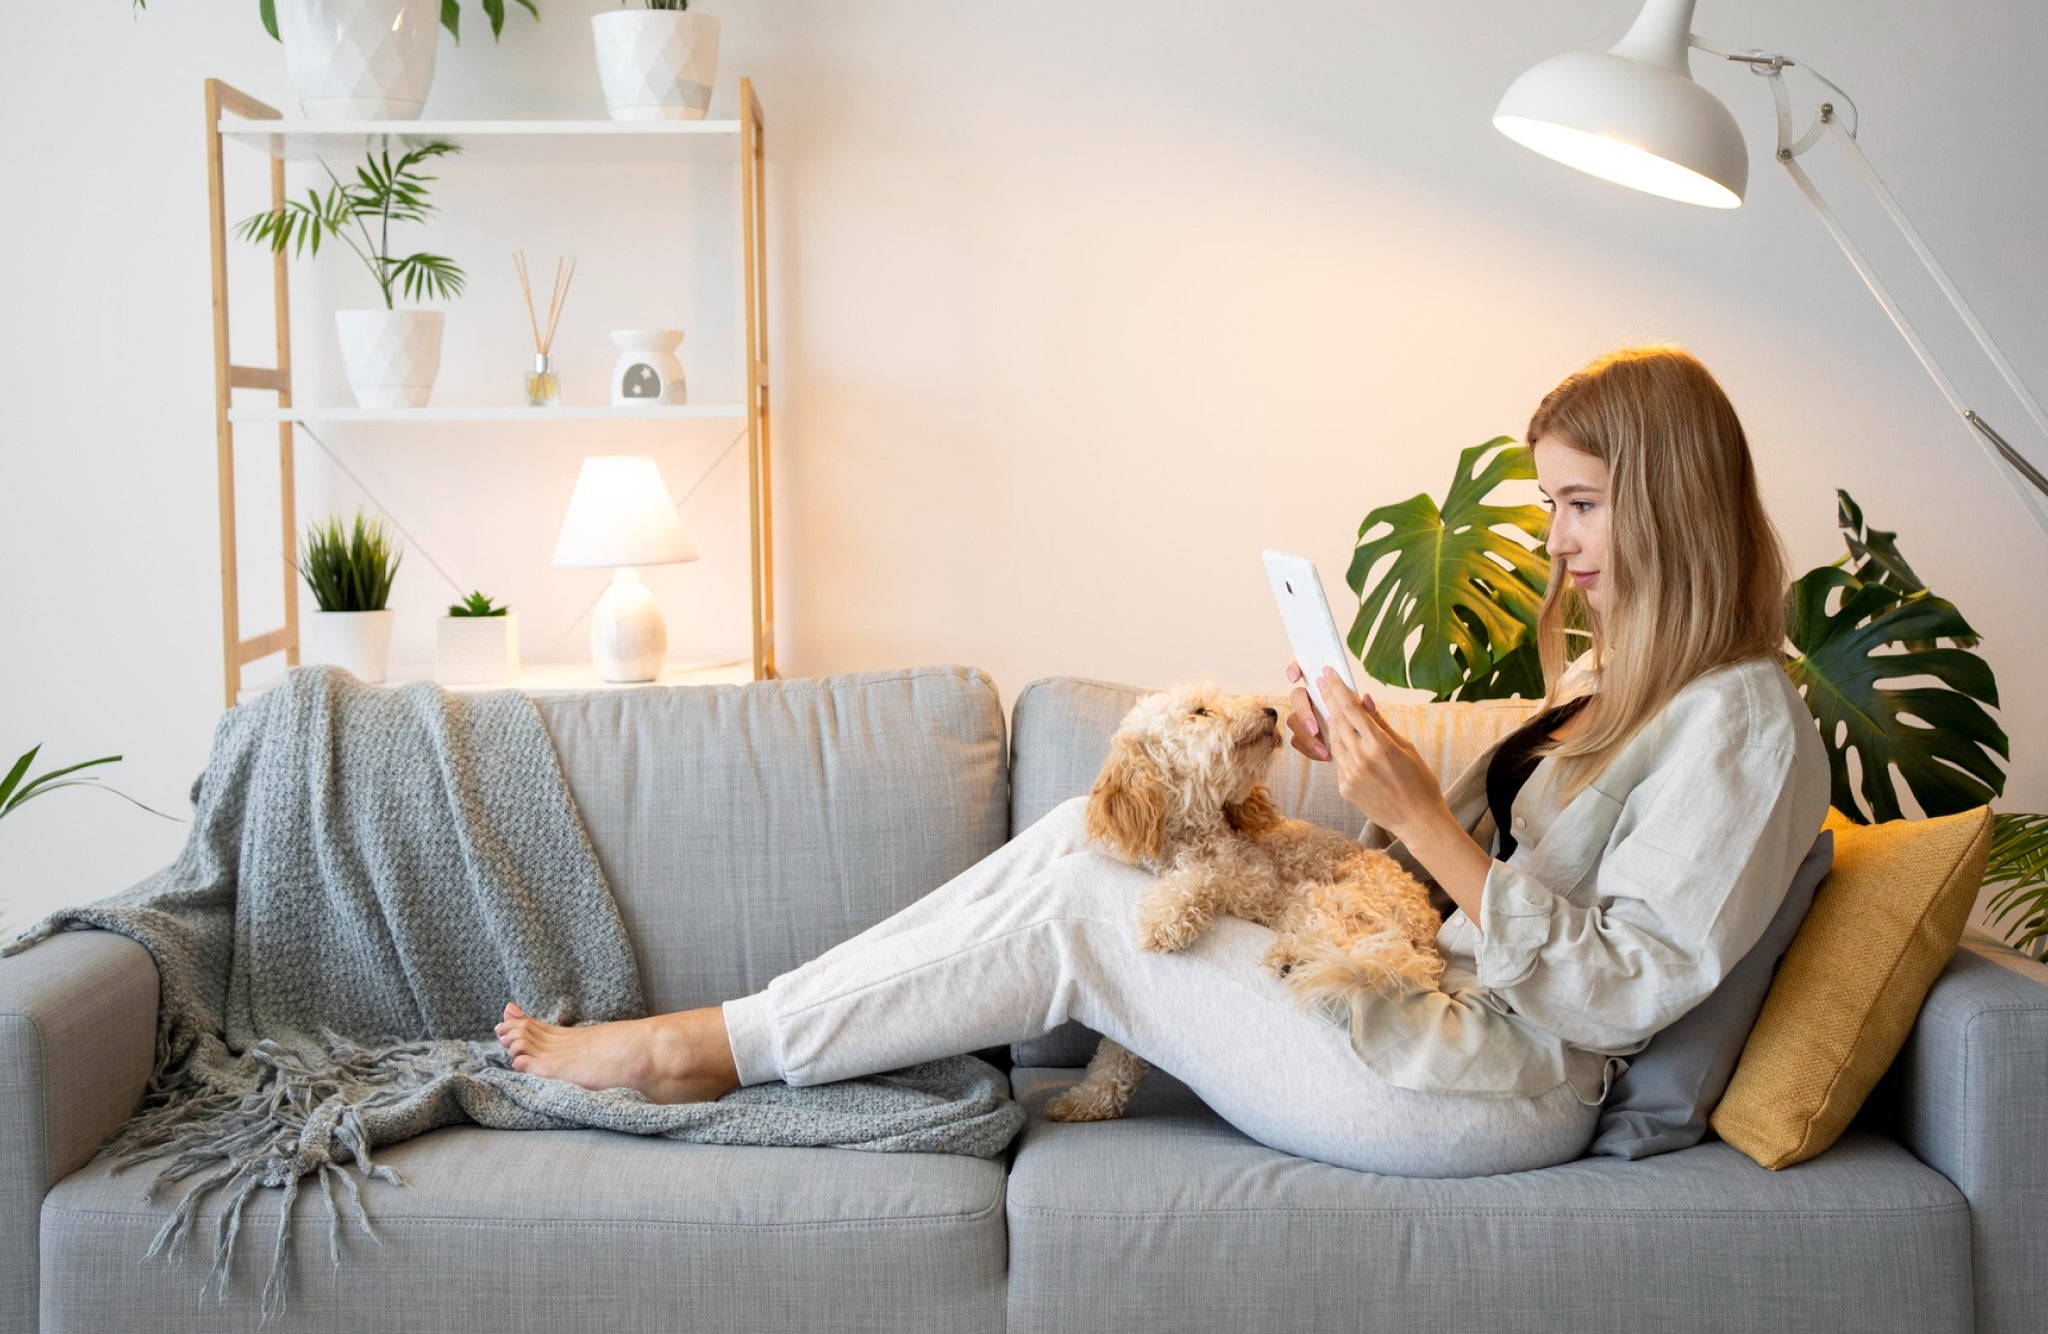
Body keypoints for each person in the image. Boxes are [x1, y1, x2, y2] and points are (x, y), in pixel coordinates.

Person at [496, 344, 1829, 1178]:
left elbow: (1618, 986)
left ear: (1670, 498)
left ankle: (701, 1050)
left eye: (1581, 505)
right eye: (1552, 507)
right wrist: (1359, 769)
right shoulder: (1615, 687)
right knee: (1096, 836)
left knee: (1094, 897)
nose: (1558, 543)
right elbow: (1451, 884)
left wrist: (1424, 819)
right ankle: (733, 1034)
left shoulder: (1746, 725)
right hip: (1425, 1012)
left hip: (1491, 1089)